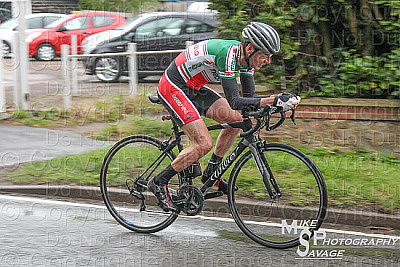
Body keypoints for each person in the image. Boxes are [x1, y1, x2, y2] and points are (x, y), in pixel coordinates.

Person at [148, 21, 301, 212]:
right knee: (203, 143)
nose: (268, 61)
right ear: (250, 48)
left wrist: (272, 105)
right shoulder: (228, 55)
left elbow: (250, 100)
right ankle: (159, 182)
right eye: (265, 55)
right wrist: (274, 100)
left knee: (236, 121)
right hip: (173, 87)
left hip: (194, 88)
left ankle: (211, 172)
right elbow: (235, 101)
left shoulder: (246, 61)